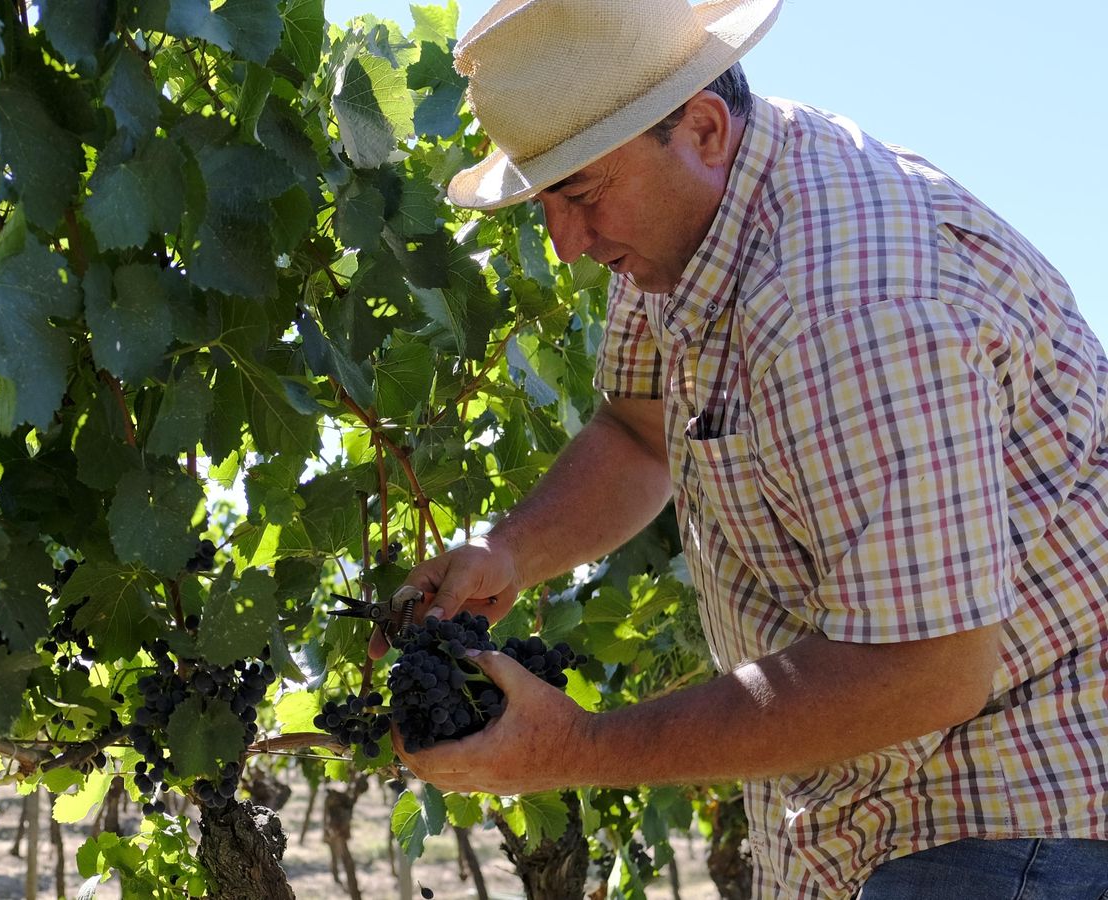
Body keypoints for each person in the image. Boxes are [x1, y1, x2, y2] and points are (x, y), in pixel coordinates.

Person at [377, 0, 1108, 896]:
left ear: (706, 129)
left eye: (580, 193)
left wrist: (584, 749)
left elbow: (930, 671)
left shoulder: (851, 307)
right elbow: (637, 433)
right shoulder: (682, 227)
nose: (565, 245)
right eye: (544, 200)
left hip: (1022, 805)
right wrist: (509, 547)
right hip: (878, 802)